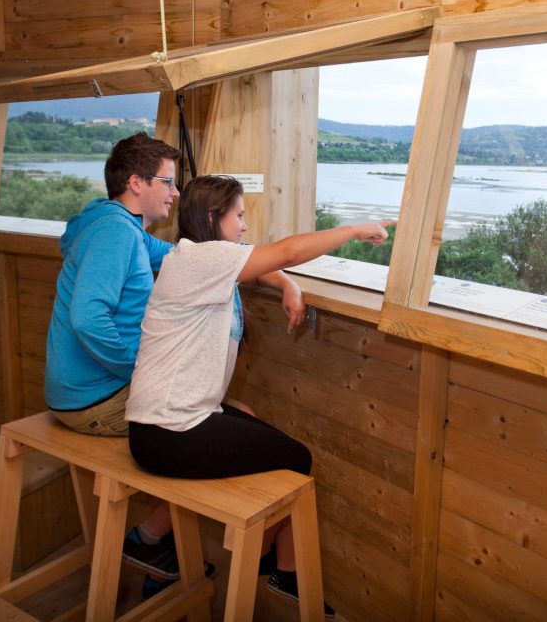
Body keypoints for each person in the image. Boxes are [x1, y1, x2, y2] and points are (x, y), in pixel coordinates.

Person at [44, 134, 305, 596]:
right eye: (167, 181)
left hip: (83, 389)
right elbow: (88, 318)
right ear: (135, 182)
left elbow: (206, 259)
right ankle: (154, 542)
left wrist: (284, 281)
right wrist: (141, 367)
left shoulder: (124, 231)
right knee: (200, 421)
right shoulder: (113, 234)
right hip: (93, 398)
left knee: (213, 419)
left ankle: (156, 550)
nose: (175, 191)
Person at [126, 175, 393, 617]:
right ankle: (271, 569)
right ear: (215, 218)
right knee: (297, 458)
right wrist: (351, 230)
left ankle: (164, 548)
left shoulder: (195, 256)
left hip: (165, 421)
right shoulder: (203, 259)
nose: (245, 226)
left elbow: (265, 266)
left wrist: (287, 285)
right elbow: (285, 251)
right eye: (240, 216)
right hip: (168, 430)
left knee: (251, 420)